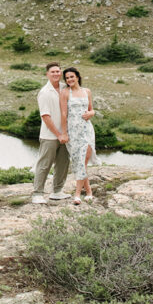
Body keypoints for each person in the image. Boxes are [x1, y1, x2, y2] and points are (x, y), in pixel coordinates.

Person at [31, 62, 71, 204]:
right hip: (50, 135)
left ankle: (57, 191)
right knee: (44, 164)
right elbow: (45, 117)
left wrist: (65, 134)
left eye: (58, 71)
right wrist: (58, 134)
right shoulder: (44, 92)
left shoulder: (65, 88)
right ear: (47, 74)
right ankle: (37, 193)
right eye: (52, 72)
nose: (56, 74)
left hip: (66, 134)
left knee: (63, 163)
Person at [60, 66, 97, 204]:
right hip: (73, 132)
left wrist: (91, 113)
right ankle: (88, 191)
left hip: (87, 130)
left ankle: (77, 194)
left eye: (71, 77)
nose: (69, 79)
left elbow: (91, 110)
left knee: (83, 162)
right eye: (67, 78)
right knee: (79, 163)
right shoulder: (65, 93)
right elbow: (64, 114)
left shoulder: (87, 91)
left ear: (77, 77)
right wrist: (64, 133)